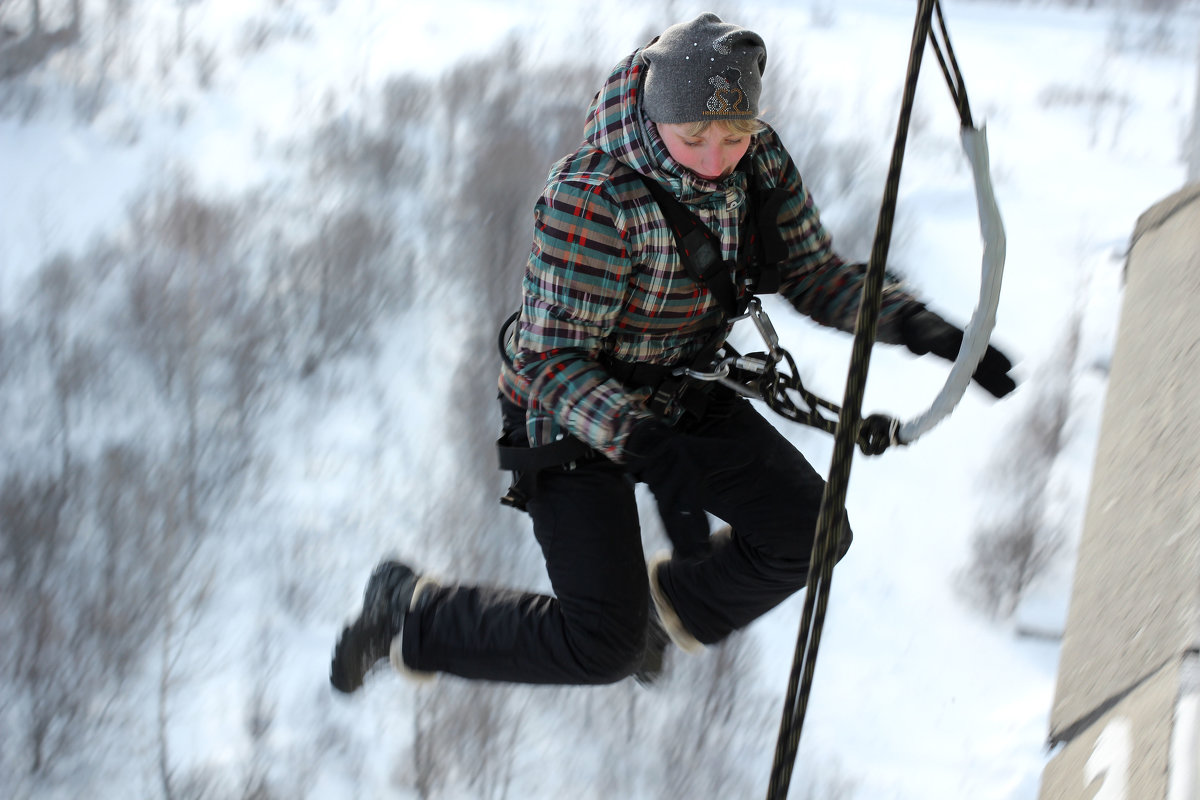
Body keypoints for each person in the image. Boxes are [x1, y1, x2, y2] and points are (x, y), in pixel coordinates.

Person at [330, 13, 1015, 693]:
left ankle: (662, 616)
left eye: (735, 134)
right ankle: (410, 614)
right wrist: (641, 441)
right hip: (568, 410)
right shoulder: (593, 195)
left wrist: (919, 325)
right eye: (695, 138)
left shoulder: (760, 165)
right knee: (601, 649)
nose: (717, 158)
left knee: (811, 531)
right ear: (657, 116)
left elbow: (811, 273)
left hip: (678, 388)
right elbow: (548, 361)